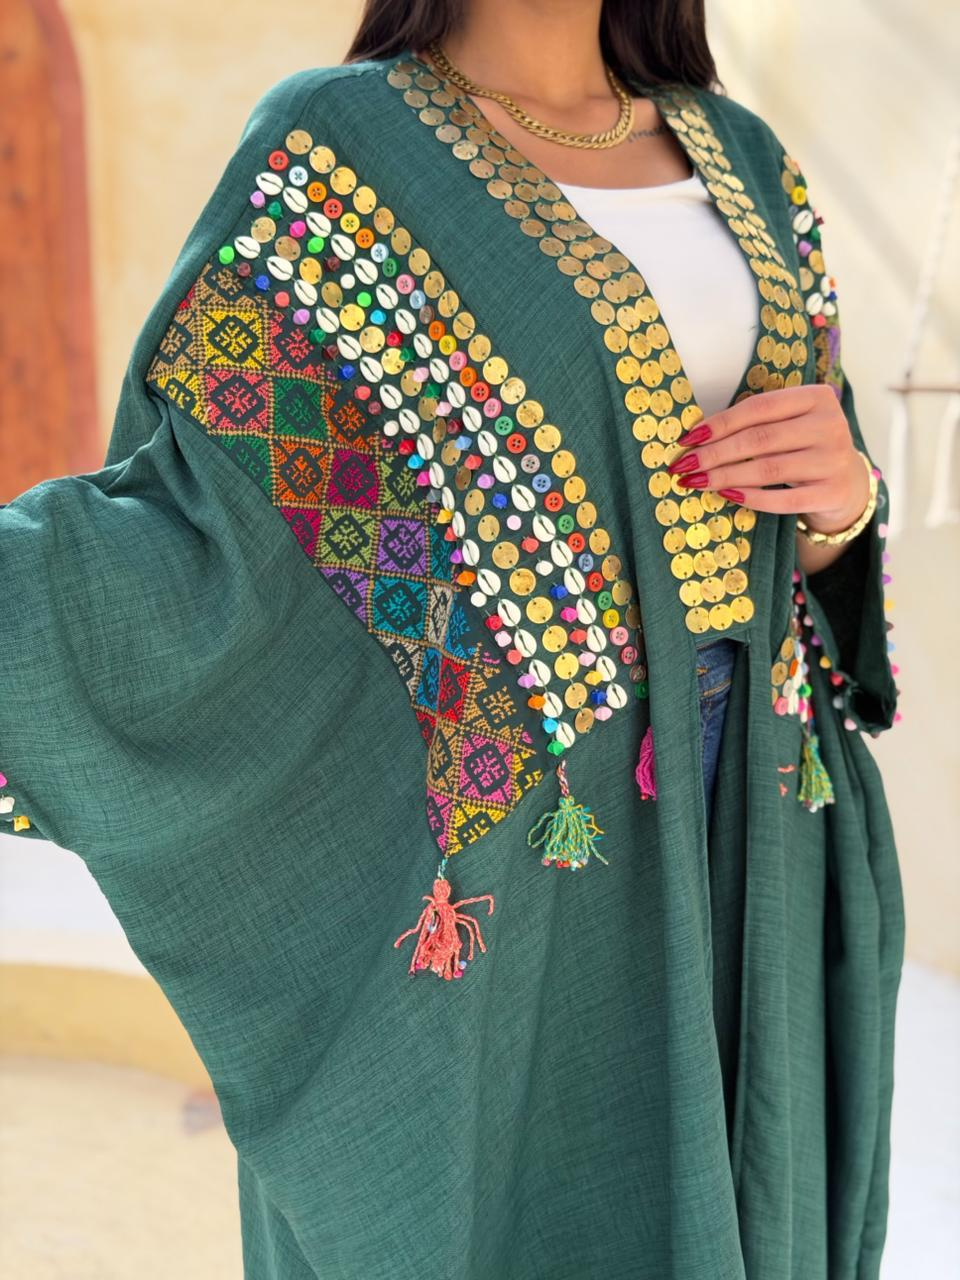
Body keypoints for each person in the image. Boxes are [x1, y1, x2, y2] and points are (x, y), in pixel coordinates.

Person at [0, 1, 904, 1275]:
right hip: (534, 819)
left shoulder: (748, 158)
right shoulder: (340, 152)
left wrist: (845, 501)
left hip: (765, 801)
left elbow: (820, 516)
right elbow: (224, 514)